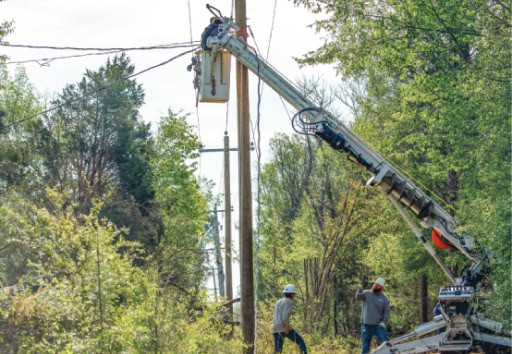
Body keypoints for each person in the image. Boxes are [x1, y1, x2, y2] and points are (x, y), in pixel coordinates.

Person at [355, 277, 390, 354]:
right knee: (365, 345)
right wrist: (359, 288)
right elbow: (357, 297)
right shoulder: (366, 293)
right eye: (376, 284)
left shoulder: (384, 299)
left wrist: (384, 322)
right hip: (366, 325)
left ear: (382, 287)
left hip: (378, 325)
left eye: (379, 285)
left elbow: (386, 312)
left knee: (386, 342)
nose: (376, 286)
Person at [272, 284, 308, 354]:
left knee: (277, 351)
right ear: (292, 295)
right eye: (294, 294)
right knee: (301, 342)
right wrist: (287, 326)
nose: (294, 296)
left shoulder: (278, 302)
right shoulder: (290, 302)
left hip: (275, 329)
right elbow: (285, 317)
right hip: (283, 327)